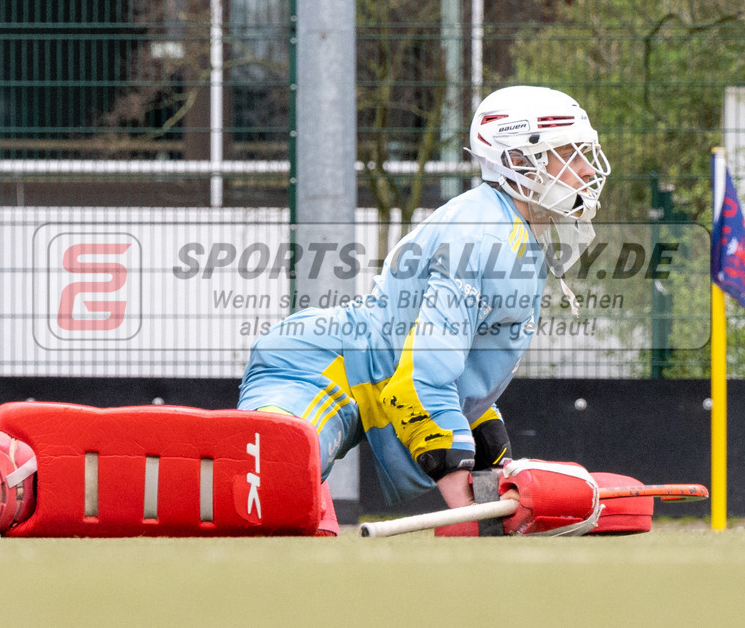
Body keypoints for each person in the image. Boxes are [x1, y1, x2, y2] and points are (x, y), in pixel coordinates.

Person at [238, 85, 610, 531]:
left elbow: (456, 371)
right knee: (261, 493)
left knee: (288, 511)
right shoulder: (483, 234)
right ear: (518, 161)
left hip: (360, 371)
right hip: (315, 368)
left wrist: (494, 465)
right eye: (568, 152)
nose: (586, 168)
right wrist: (470, 514)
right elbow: (420, 378)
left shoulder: (513, 229)